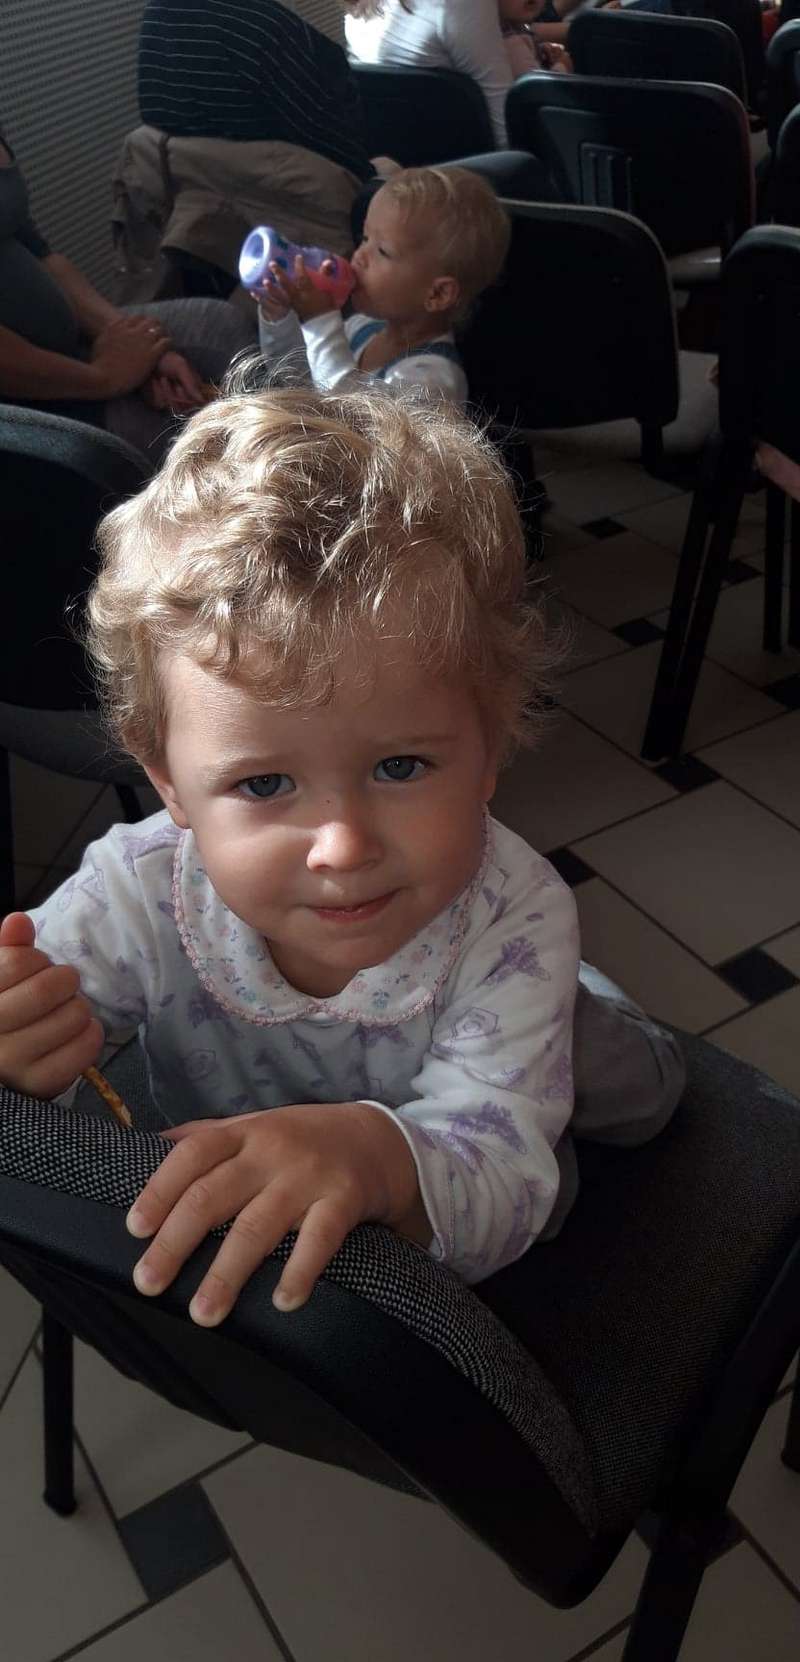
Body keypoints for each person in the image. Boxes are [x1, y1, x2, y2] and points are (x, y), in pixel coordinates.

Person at [0, 386, 683, 1326]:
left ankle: (583, 1009)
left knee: (639, 1099)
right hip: (283, 1256)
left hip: (482, 1112)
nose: (344, 847)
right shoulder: (135, 891)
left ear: (490, 748)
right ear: (169, 784)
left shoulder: (514, 914)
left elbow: (505, 1177)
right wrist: (24, 1045)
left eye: (400, 766)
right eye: (264, 784)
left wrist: (378, 1156)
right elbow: (41, 1038)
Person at [0, 126, 256, 461]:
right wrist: (104, 378)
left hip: (75, 348)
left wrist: (136, 345)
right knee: (203, 443)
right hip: (27, 407)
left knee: (223, 327)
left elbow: (40, 253)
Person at [124, 0, 375, 287]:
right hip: (301, 238)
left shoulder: (157, 18)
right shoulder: (271, 30)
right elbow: (346, 154)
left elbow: (155, 118)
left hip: (197, 238)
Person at [256, 166, 510, 408]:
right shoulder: (360, 328)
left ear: (437, 294)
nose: (359, 255)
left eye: (382, 251)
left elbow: (352, 419)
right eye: (365, 238)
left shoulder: (433, 380)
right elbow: (297, 383)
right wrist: (280, 318)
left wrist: (320, 322)